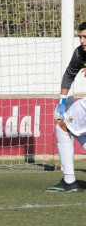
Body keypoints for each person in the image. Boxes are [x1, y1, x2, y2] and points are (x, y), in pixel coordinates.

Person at [47, 21, 86, 192]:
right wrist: (62, 102)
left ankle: (69, 181)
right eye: (80, 37)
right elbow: (69, 75)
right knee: (68, 127)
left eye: (85, 37)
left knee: (63, 128)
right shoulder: (80, 53)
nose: (82, 41)